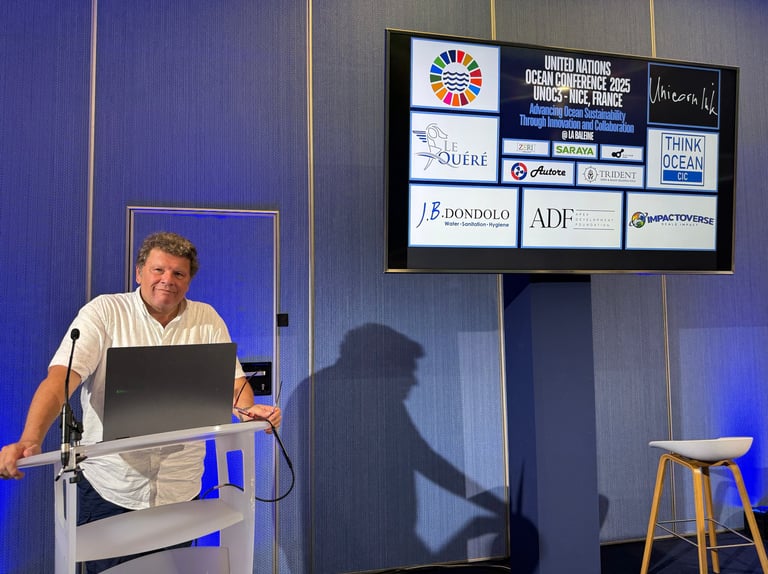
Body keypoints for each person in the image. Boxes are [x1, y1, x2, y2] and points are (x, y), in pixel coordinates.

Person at [0, 231, 281, 572]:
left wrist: (247, 412)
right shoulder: (105, 311)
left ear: (189, 280)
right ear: (139, 272)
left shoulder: (207, 318)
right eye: (158, 270)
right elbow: (60, 379)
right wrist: (29, 439)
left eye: (178, 273)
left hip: (180, 489)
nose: (167, 280)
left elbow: (234, 385)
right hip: (111, 488)